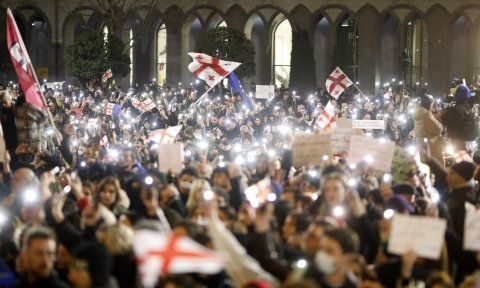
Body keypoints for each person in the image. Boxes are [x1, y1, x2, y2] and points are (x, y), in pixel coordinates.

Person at [413, 94, 444, 165]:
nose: (432, 107)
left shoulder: (418, 112)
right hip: (431, 147)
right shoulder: (426, 114)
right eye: (432, 105)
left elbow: (426, 126)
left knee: (427, 166)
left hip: (421, 144)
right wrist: (439, 118)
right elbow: (438, 128)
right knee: (436, 168)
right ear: (429, 104)